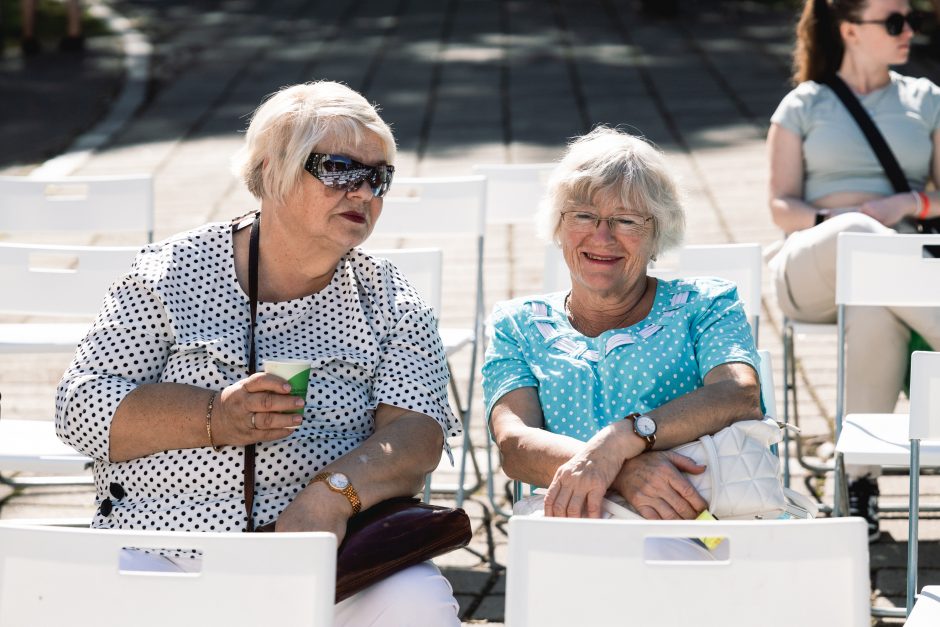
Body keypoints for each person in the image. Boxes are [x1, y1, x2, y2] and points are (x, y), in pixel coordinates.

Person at [56, 81, 462, 625]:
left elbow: (418, 434)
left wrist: (332, 495)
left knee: (420, 603)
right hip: (163, 543)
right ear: (272, 171)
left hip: (333, 558)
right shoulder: (167, 274)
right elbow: (79, 408)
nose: (364, 192)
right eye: (340, 169)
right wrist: (214, 417)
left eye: (378, 176)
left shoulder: (388, 297)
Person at [482, 127, 762, 546]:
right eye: (583, 215)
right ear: (558, 226)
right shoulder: (518, 324)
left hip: (700, 529)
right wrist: (623, 471)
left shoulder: (706, 303)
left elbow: (738, 393)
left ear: (657, 235)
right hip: (581, 539)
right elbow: (515, 444)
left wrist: (621, 440)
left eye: (626, 220)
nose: (602, 236)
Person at [767, 0, 940, 540]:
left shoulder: (926, 99)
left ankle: (857, 483)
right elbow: (780, 206)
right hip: (812, 265)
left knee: (873, 298)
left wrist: (908, 203)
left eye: (911, 20)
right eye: (894, 22)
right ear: (850, 31)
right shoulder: (803, 104)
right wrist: (847, 219)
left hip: (897, 272)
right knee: (859, 240)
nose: (908, 31)